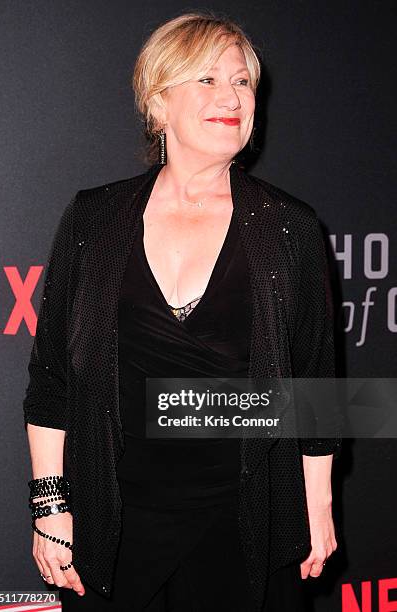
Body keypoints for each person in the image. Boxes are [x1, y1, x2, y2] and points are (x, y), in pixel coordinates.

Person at [23, 11, 342, 612]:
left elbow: (315, 391)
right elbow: (51, 383)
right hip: (112, 526)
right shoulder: (93, 219)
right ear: (158, 100)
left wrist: (317, 511)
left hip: (244, 525)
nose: (232, 97)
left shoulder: (289, 228)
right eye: (208, 80)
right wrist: (49, 507)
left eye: (243, 81)